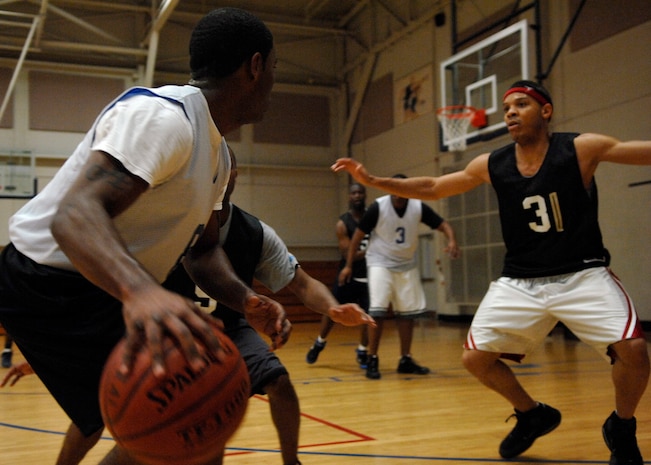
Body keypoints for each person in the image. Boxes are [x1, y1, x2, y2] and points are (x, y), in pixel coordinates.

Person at [0, 8, 291, 465]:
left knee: (198, 423)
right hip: (46, 284)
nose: (275, 82)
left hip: (95, 286)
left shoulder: (218, 158)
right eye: (274, 69)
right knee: (177, 417)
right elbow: (74, 215)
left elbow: (205, 250)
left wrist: (245, 299)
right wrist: (142, 293)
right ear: (255, 67)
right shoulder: (164, 118)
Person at [331, 80, 651, 464]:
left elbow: (636, 151)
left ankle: (622, 426)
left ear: (545, 111)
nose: (511, 112)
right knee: (475, 358)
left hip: (582, 273)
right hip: (521, 280)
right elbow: (434, 186)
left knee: (633, 349)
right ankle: (533, 414)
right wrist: (373, 181)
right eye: (506, 108)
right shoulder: (493, 163)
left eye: (521, 104)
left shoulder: (579, 148)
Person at [2, 148, 375, 465]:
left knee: (273, 383)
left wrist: (333, 308)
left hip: (229, 329)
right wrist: (49, 358)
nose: (216, 177)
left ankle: (291, 460)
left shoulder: (255, 232)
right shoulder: (166, 223)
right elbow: (107, 298)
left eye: (222, 171)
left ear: (232, 175)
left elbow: (302, 283)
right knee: (127, 422)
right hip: (171, 335)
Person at [339, 174, 460, 380]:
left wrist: (452, 240)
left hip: (406, 264)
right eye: (395, 190)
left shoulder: (418, 207)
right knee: (377, 310)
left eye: (403, 190)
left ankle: (405, 359)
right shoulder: (378, 207)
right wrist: (349, 265)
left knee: (407, 314)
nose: (399, 195)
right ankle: (372, 357)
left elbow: (443, 224)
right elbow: (358, 236)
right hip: (379, 262)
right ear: (391, 190)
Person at [306, 183, 371, 368]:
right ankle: (320, 341)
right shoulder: (343, 223)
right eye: (354, 193)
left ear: (365, 195)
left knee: (369, 314)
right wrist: (373, 250)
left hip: (370, 274)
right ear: (349, 197)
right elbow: (348, 253)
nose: (357, 196)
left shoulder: (372, 218)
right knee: (333, 310)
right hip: (348, 275)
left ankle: (362, 350)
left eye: (360, 192)